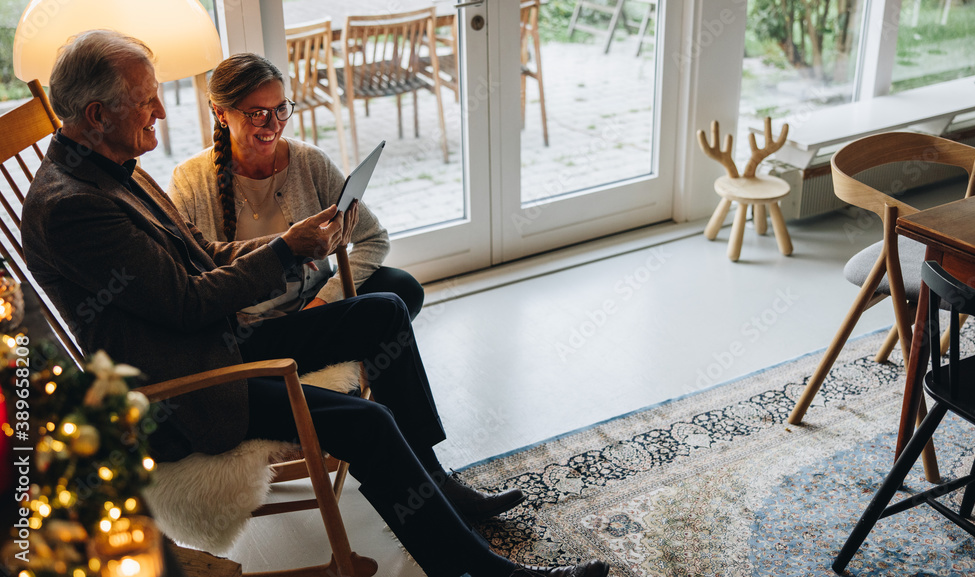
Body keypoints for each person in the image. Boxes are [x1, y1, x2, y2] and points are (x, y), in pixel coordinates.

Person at [20, 30, 608, 577]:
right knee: (369, 423)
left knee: (384, 312)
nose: (162, 112)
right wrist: (282, 251)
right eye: (148, 100)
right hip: (186, 388)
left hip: (212, 343)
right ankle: (481, 570)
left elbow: (204, 252)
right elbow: (188, 304)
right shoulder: (72, 206)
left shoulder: (114, 167)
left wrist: (292, 244)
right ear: (97, 115)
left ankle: (432, 477)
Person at [168, 52, 423, 323]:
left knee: (403, 289)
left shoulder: (309, 161)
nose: (274, 125)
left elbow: (374, 238)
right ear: (221, 112)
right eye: (258, 114)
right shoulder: (190, 180)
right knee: (386, 315)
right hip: (245, 328)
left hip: (313, 307)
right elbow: (184, 276)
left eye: (280, 108)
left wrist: (325, 298)